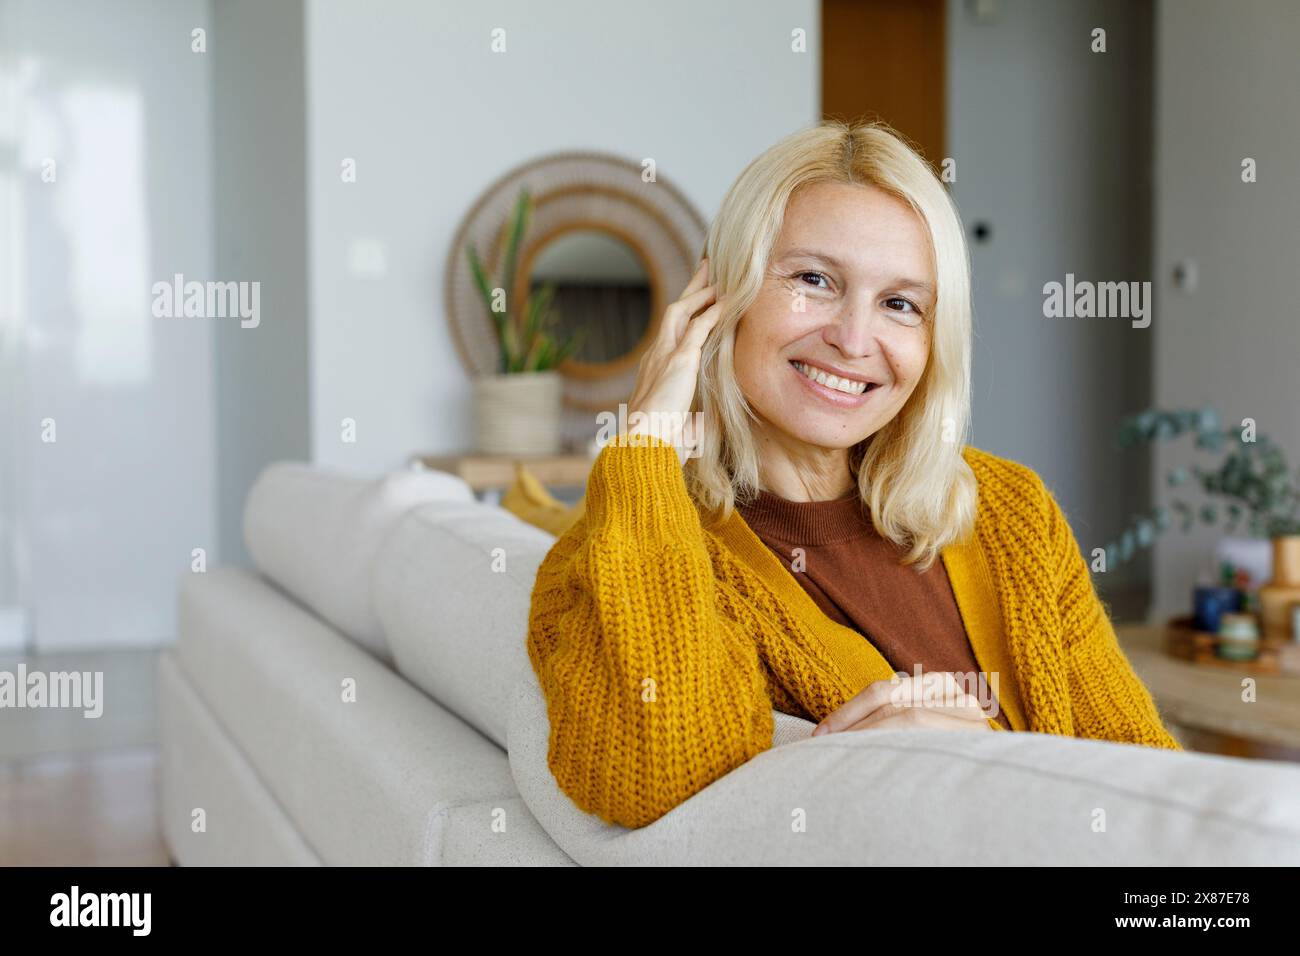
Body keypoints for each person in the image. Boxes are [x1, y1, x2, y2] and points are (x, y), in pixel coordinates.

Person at [526, 119, 1180, 830]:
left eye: (900, 304)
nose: (854, 338)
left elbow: (1148, 779)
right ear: (721, 295)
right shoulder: (615, 550)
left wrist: (981, 772)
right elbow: (656, 780)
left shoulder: (1008, 507)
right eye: (813, 280)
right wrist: (647, 444)